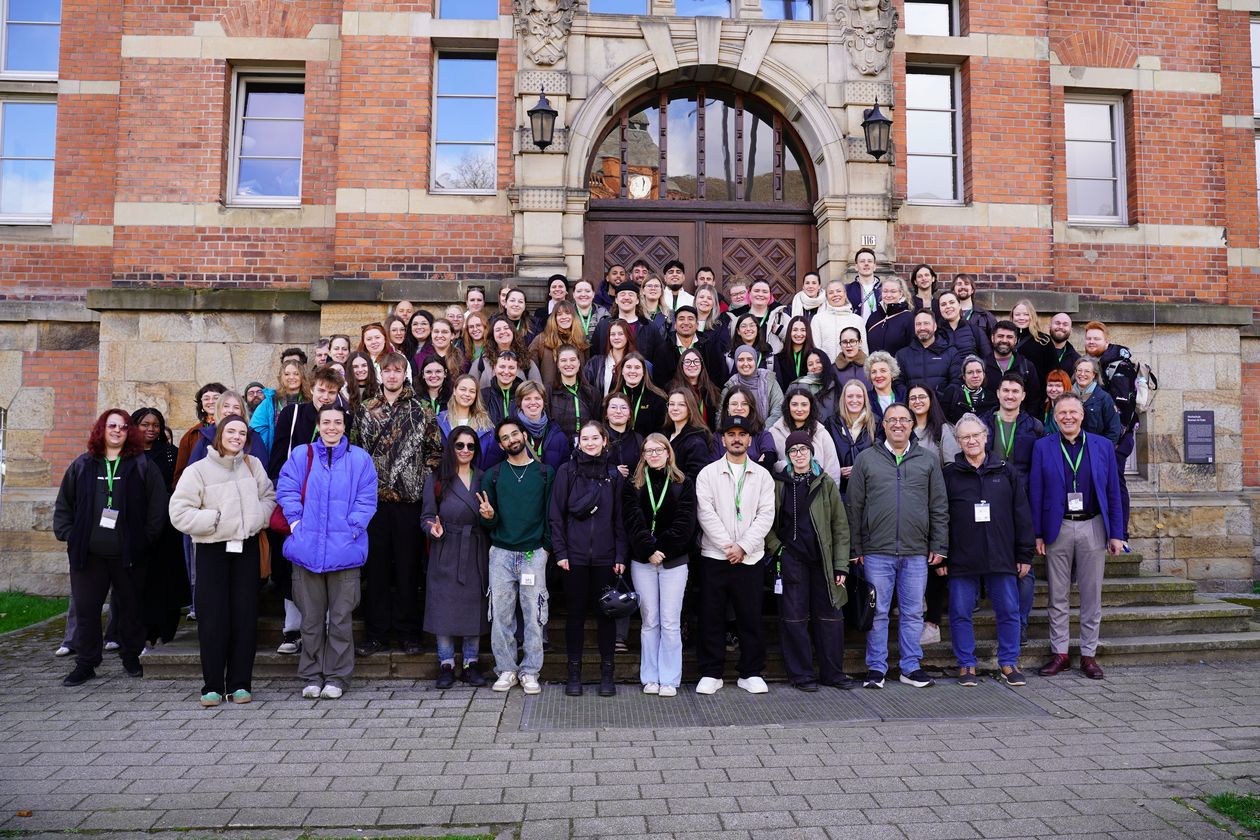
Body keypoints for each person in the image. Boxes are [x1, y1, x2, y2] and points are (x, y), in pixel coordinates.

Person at [54, 410, 167, 687]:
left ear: (130, 432)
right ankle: (86, 663)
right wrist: (70, 534)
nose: (117, 430)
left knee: (130, 608)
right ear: (101, 430)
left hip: (128, 553)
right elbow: (64, 504)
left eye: (123, 426)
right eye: (111, 425)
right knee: (87, 610)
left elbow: (157, 506)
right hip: (88, 554)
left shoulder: (141, 465)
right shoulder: (82, 465)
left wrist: (146, 538)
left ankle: (130, 657)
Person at [168, 415, 275, 706]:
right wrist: (212, 520)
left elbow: (269, 497)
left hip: (246, 549)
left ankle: (240, 684)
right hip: (212, 550)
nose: (237, 437)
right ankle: (212, 685)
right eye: (231, 431)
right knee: (213, 619)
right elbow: (178, 512)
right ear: (219, 435)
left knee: (244, 617)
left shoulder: (254, 466)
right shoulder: (198, 470)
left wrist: (257, 518)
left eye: (242, 433)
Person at [276, 404, 378, 700]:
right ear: (318, 425)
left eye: (337, 422)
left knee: (341, 619)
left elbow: (367, 498)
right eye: (326, 422)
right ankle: (311, 674)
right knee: (310, 619)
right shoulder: (301, 456)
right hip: (307, 550)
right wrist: (296, 523)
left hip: (345, 552)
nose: (332, 427)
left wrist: (352, 529)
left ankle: (337, 676)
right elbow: (287, 489)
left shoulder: (359, 459)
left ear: (345, 426)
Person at [847, 402, 949, 690]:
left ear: (911, 424)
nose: (898, 425)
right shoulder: (867, 459)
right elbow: (854, 507)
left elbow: (939, 506)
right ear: (884, 425)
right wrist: (855, 548)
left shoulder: (927, 460)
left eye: (904, 420)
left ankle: (910, 666)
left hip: (916, 551)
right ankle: (876, 668)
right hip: (876, 551)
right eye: (892, 420)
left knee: (913, 611)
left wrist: (939, 545)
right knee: (878, 611)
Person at [1030, 393, 1125, 680]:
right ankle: (1060, 653)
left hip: (1093, 526)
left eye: (1073, 412)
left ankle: (1088, 655)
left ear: (1082, 415)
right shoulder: (1042, 447)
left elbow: (1114, 492)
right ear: (1055, 417)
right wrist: (1037, 533)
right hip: (1057, 526)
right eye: (1062, 413)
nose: (1068, 417)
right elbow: (1036, 492)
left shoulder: (1103, 446)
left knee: (1091, 594)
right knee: (1057, 594)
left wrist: (1116, 534)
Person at [355, 352, 442, 658]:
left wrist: (420, 478)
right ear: (380, 374)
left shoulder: (421, 409)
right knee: (376, 569)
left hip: (409, 502)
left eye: (397, 371)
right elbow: (356, 451)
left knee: (407, 570)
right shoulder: (366, 409)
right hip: (375, 503)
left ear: (405, 374)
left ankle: (409, 634)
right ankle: (376, 633)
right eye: (387, 371)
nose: (392, 376)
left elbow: (435, 450)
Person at [941, 413, 1034, 687]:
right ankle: (966, 665)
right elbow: (940, 516)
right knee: (959, 612)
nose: (971, 441)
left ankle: (1008, 662)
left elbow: (1022, 514)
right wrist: (941, 554)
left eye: (975, 436)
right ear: (958, 442)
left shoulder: (1006, 471)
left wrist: (1024, 553)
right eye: (965, 437)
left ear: (985, 437)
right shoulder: (949, 475)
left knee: (1008, 610)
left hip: (1001, 554)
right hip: (961, 556)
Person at [764, 430, 855, 691]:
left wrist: (841, 565)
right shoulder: (779, 483)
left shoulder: (824, 483)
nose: (799, 455)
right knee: (793, 618)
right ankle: (802, 674)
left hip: (823, 560)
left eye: (803, 450)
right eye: (793, 451)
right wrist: (777, 549)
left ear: (811, 453)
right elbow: (767, 521)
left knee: (830, 617)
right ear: (788, 455)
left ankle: (833, 673)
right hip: (791, 559)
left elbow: (840, 526)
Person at [268, 366, 349, 655]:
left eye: (331, 391)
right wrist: (285, 494)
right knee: (293, 560)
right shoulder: (291, 415)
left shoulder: (343, 419)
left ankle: (324, 626)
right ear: (311, 388)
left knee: (324, 560)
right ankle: (292, 629)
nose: (325, 395)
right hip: (296, 499)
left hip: (329, 501)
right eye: (321, 389)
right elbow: (277, 456)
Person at [694, 414, 777, 695]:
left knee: (750, 616)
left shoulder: (762, 475)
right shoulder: (708, 474)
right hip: (715, 556)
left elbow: (766, 515)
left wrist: (743, 546)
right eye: (731, 434)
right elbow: (706, 513)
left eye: (742, 434)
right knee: (711, 615)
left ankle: (751, 671)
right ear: (723, 439)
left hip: (750, 557)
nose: (737, 439)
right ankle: (711, 671)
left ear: (750, 439)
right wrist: (728, 546)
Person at [551, 421, 628, 697]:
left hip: (606, 558)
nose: (590, 443)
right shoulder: (566, 471)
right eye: (585, 438)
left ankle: (607, 674)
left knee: (606, 616)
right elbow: (556, 515)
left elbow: (620, 518)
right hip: (574, 558)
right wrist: (560, 552)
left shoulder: (614, 476)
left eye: (595, 438)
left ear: (605, 440)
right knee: (575, 617)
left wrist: (620, 553)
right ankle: (574, 674)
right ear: (578, 442)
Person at [479, 417, 556, 695]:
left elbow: (551, 515)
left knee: (534, 614)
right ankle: (507, 669)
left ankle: (531, 671)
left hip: (533, 553)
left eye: (515, 434)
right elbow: (489, 519)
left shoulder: (545, 472)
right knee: (500, 616)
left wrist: (546, 548)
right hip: (501, 553)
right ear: (500, 445)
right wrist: (488, 518)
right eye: (505, 437)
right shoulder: (493, 474)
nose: (512, 439)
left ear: (524, 435)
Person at [624, 435, 697, 697]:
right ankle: (650, 677)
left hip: (674, 561)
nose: (653, 454)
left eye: (658, 450)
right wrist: (648, 549)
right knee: (649, 620)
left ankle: (669, 678)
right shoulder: (634, 484)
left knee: (669, 621)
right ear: (643, 455)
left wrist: (662, 549)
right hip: (642, 561)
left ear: (668, 453)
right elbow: (632, 520)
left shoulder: (683, 483)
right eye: (648, 451)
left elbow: (686, 523)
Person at [421, 427, 491, 689]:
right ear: (450, 448)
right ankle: (446, 663)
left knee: (473, 607)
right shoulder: (438, 479)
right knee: (444, 606)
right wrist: (433, 529)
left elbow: (492, 516)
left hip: (475, 547)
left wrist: (489, 516)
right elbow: (426, 516)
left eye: (470, 446)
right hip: (445, 546)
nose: (464, 450)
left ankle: (471, 662)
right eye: (459, 445)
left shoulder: (484, 478)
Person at [131, 408, 186, 650]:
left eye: (156, 424)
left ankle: (165, 630)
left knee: (166, 580)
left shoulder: (171, 454)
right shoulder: (126, 454)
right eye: (145, 424)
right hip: (135, 527)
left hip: (166, 527)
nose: (151, 429)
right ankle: (141, 633)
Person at [1084, 320, 1140, 540]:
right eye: (1088, 338)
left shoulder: (1118, 365)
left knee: (1115, 483)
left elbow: (1124, 404)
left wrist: (1114, 439)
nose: (1091, 341)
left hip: (1118, 438)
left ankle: (1121, 535)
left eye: (1096, 338)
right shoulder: (1099, 362)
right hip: (1105, 437)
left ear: (1106, 341)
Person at [768, 385, 842, 486]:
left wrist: (829, 496)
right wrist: (787, 465)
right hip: (786, 493)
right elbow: (770, 467)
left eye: (804, 404)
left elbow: (832, 469)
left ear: (810, 406)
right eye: (794, 404)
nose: (799, 409)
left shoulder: (821, 432)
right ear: (788, 406)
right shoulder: (774, 432)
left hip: (817, 493)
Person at [824, 379, 877, 497]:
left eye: (859, 396)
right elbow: (826, 455)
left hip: (869, 489)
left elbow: (880, 456)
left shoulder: (876, 423)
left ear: (864, 399)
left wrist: (859, 468)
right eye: (850, 396)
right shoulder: (831, 423)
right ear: (844, 399)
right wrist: (837, 470)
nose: (854, 400)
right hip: (840, 490)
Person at [657, 304, 728, 388]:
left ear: (697, 325)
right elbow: (660, 382)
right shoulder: (664, 349)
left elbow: (718, 376)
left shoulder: (709, 346)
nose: (686, 322)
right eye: (681, 319)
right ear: (675, 325)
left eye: (690, 319)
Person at [511, 380, 574, 470]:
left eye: (537, 398)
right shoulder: (511, 432)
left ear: (543, 402)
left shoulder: (557, 435)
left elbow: (564, 471)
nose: (533, 402)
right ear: (520, 403)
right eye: (527, 398)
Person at [530, 302, 590, 390]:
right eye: (559, 314)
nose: (564, 317)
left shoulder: (581, 340)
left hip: (577, 394)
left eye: (567, 313)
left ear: (573, 317)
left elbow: (587, 370)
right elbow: (531, 368)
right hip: (550, 395)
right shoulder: (541, 340)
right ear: (554, 318)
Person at [984, 320, 1041, 413]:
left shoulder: (1026, 367)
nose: (1004, 340)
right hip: (988, 423)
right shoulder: (982, 366)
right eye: (1000, 336)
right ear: (992, 338)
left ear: (1015, 340)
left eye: (1009, 337)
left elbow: (1034, 401)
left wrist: (1026, 422)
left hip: (1020, 423)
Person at [718, 384, 778, 471]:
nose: (739, 408)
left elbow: (767, 465)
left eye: (744, 404)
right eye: (734, 404)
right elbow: (715, 469)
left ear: (750, 407)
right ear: (727, 407)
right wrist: (756, 464)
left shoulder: (764, 436)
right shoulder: (717, 437)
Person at [721, 345, 784, 428]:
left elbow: (778, 411)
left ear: (755, 360)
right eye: (741, 360)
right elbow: (721, 416)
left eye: (750, 359)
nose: (745, 363)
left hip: (767, 434)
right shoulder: (730, 386)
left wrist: (762, 433)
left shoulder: (769, 381)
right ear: (736, 362)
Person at [547, 344, 598, 445]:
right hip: (558, 447)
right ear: (557, 364)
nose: (568, 364)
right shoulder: (548, 391)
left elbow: (597, 423)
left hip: (587, 446)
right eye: (563, 360)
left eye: (573, 359)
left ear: (579, 362)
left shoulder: (592, 392)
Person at [895, 309, 956, 395]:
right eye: (918, 324)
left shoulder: (950, 352)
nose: (922, 328)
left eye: (926, 323)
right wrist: (913, 398)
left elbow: (956, 382)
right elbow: (898, 383)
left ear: (935, 327)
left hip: (942, 406)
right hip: (913, 405)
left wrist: (940, 399)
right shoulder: (902, 355)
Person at [663, 388, 715, 481]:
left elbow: (696, 478)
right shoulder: (665, 434)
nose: (675, 408)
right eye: (671, 404)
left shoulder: (696, 442)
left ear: (690, 408)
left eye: (681, 404)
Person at [612, 352, 668, 437]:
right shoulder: (612, 397)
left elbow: (662, 431)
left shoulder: (658, 399)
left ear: (644, 372)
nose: (632, 371)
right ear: (622, 371)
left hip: (648, 448)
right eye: (628, 367)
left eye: (637, 368)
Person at [438, 374, 497, 455]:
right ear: (454, 391)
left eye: (472, 391)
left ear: (476, 395)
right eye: (463, 389)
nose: (467, 394)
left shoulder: (485, 426)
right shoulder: (440, 421)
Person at [812, 278, 868, 363]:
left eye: (838, 291)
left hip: (853, 371)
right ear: (826, 297)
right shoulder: (818, 319)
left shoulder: (857, 320)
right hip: (827, 370)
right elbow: (816, 349)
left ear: (845, 294)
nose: (835, 295)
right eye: (831, 293)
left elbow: (863, 349)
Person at [669, 346, 722, 431]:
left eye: (696, 361)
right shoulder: (672, 389)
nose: (692, 365)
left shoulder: (712, 390)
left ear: (702, 365)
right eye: (687, 362)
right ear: (681, 365)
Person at [583, 317, 636, 402]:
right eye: (613, 334)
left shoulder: (636, 364)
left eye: (620, 334)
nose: (616, 337)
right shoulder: (595, 363)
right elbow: (584, 390)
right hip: (600, 412)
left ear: (628, 336)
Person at [1073, 356, 1122, 444]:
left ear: (1094, 374)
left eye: (1087, 371)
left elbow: (1114, 431)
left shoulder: (1104, 398)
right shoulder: (1066, 396)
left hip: (1094, 451)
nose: (1082, 374)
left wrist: (1100, 451)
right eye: (1079, 370)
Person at [864, 276, 914, 357]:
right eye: (885, 291)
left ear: (901, 293)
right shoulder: (873, 317)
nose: (888, 295)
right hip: (874, 367)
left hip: (898, 368)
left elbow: (912, 347)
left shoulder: (908, 318)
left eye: (893, 291)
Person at [937, 290, 992, 361]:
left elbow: (987, 357)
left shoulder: (974, 330)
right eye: (943, 304)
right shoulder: (936, 333)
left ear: (959, 305)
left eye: (952, 302)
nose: (948, 306)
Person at [940, 355, 997, 424]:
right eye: (970, 372)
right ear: (964, 376)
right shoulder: (952, 393)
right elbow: (941, 420)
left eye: (979, 371)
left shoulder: (991, 397)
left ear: (984, 374)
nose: (975, 376)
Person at [604, 392, 644, 478]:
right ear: (606, 414)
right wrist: (612, 471)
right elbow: (587, 467)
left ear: (630, 414)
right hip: (605, 489)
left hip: (632, 489)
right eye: (613, 407)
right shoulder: (597, 438)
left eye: (623, 407)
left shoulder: (638, 439)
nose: (618, 411)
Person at [773, 315, 816, 393]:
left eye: (803, 330)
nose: (799, 334)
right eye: (795, 330)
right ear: (789, 332)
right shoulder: (779, 358)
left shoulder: (815, 357)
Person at [482, 352, 523, 426]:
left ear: (517, 370)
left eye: (511, 368)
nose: (506, 372)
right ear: (494, 368)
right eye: (502, 367)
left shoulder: (524, 395)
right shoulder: (483, 395)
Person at [865, 350, 907, 423]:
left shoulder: (904, 395)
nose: (878, 375)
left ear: (892, 373)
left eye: (883, 371)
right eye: (874, 372)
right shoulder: (866, 399)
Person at [846, 247, 882, 322]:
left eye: (870, 261)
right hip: (856, 332)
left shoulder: (883, 289)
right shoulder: (847, 289)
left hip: (879, 332)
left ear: (874, 266)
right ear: (856, 267)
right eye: (862, 261)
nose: (866, 264)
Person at [1041, 369, 1071, 437]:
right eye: (1050, 385)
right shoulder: (1044, 407)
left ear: (1066, 387)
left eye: (1058, 386)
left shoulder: (1073, 410)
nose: (1053, 389)